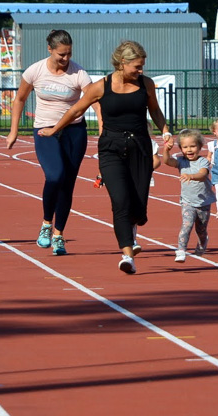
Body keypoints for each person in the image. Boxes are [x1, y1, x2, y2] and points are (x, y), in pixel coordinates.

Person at [38, 40, 170, 274]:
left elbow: (155, 110)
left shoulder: (146, 84)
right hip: (111, 148)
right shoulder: (101, 87)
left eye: (142, 67)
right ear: (122, 63)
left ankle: (135, 224)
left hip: (139, 146)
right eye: (137, 67)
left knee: (138, 207)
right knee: (120, 201)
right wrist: (55, 129)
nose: (141, 71)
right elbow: (76, 109)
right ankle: (127, 255)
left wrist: (166, 131)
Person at [6, 30, 93, 255]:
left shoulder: (78, 72)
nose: (66, 59)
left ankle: (59, 235)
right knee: (55, 175)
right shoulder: (35, 71)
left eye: (69, 54)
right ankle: (46, 224)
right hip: (46, 131)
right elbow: (20, 99)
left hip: (74, 131)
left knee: (68, 183)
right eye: (61, 55)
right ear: (50, 50)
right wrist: (13, 131)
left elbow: (94, 100)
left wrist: (103, 126)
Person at [163, 129, 215, 262]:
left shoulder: (203, 161)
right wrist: (166, 150)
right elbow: (167, 161)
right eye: (185, 147)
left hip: (203, 202)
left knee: (201, 229)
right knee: (186, 225)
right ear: (180, 148)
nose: (189, 150)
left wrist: (191, 176)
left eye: (192, 146)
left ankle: (203, 242)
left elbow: (203, 174)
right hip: (187, 201)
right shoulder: (181, 161)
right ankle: (181, 250)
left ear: (199, 147)